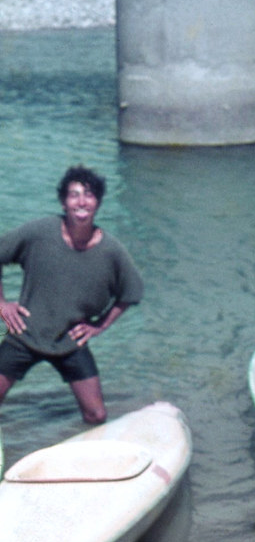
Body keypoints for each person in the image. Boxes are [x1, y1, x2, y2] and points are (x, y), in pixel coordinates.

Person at [0, 165, 143, 424]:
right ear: (64, 202)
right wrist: (1, 304)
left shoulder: (112, 251)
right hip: (25, 334)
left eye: (88, 195)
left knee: (96, 415)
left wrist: (99, 326)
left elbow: (132, 292)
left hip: (70, 341)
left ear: (98, 203)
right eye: (73, 194)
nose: (81, 201)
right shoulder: (40, 232)